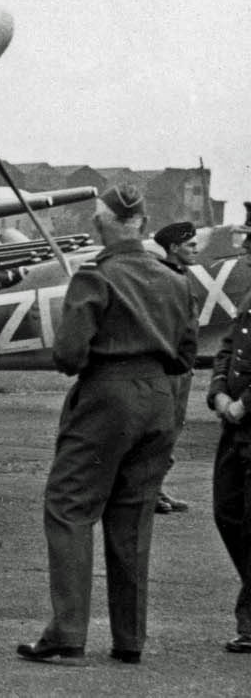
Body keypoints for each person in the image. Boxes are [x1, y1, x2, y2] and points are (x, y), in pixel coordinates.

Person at [17, 185, 197, 665]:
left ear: (106, 222)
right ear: (142, 222)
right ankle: (129, 640)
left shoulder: (94, 278)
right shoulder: (175, 278)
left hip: (106, 399)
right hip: (159, 401)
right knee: (133, 520)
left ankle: (68, 634)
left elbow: (68, 356)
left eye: (98, 216)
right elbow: (185, 355)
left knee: (70, 507)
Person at [211, 270, 251, 654]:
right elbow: (228, 348)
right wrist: (219, 392)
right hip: (236, 427)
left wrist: (244, 402)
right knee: (227, 512)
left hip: (246, 416)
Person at [153, 220, 202, 514]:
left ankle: (156, 486)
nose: (196, 249)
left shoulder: (183, 276)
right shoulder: (162, 278)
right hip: (167, 369)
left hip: (182, 370)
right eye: (190, 245)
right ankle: (147, 492)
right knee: (160, 431)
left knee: (172, 431)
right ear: (173, 247)